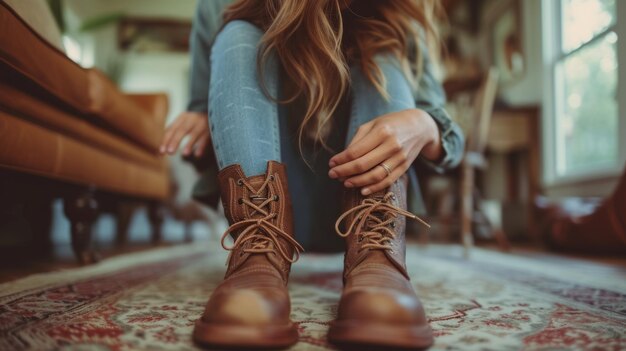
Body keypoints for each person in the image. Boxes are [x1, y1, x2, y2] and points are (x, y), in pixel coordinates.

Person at [161, 0, 464, 349]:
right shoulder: (217, 4)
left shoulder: (397, 7)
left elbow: (452, 138)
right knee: (239, 33)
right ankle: (258, 254)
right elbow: (203, 108)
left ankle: (376, 255)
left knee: (383, 50)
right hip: (270, 201)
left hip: (359, 205)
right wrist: (203, 115)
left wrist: (425, 124)